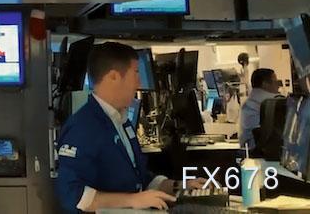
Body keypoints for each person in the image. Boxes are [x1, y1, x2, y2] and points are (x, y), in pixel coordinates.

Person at [56, 42, 206, 213]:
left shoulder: (122, 122)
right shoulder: (82, 127)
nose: (139, 82)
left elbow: (141, 179)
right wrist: (132, 200)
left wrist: (178, 186)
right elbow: (72, 195)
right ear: (113, 77)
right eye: (135, 73)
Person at [239, 68, 281, 151]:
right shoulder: (273, 101)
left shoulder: (248, 103)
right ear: (265, 84)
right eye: (275, 82)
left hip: (250, 151)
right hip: (264, 152)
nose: (278, 85)